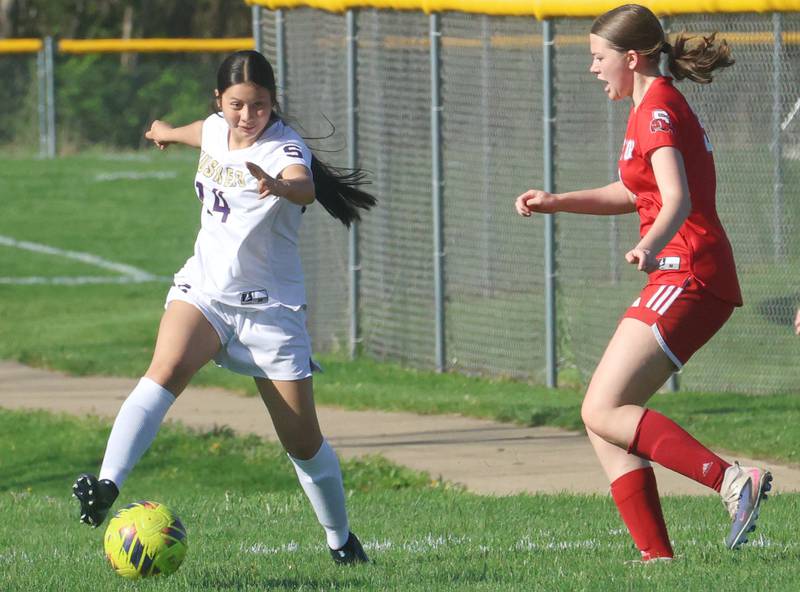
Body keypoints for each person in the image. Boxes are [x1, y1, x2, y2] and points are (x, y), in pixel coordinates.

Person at [72, 50, 376, 565]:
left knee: (303, 443)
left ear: (272, 102)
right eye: (236, 105)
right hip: (206, 292)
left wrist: (282, 186)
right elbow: (201, 132)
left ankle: (341, 539)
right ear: (220, 101)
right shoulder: (215, 128)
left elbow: (301, 183)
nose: (247, 116)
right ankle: (106, 485)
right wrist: (166, 131)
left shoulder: (284, 148)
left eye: (258, 106)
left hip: (268, 312)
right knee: (164, 369)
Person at [514, 4, 771, 561]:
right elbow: (636, 192)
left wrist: (650, 245)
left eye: (598, 57)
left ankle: (733, 482)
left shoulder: (657, 110)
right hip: (684, 269)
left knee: (602, 408)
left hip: (691, 271)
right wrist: (557, 201)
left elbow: (674, 199)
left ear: (630, 59)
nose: (592, 68)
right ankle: (657, 558)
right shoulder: (649, 107)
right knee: (602, 418)